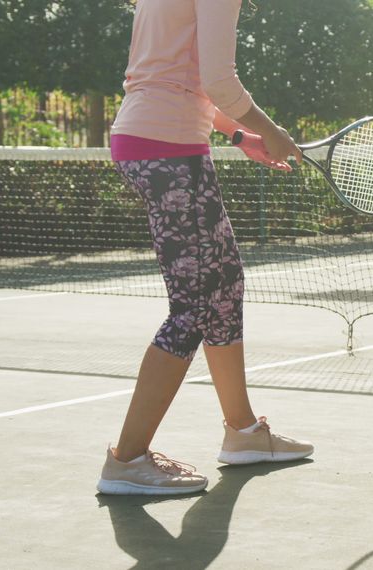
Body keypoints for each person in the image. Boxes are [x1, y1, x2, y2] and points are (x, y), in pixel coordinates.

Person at [98, 0, 313, 496]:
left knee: (224, 287)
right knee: (193, 307)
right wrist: (272, 132)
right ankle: (127, 459)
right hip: (166, 147)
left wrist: (240, 133)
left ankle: (243, 434)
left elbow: (182, 81)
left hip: (155, 140)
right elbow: (220, 80)